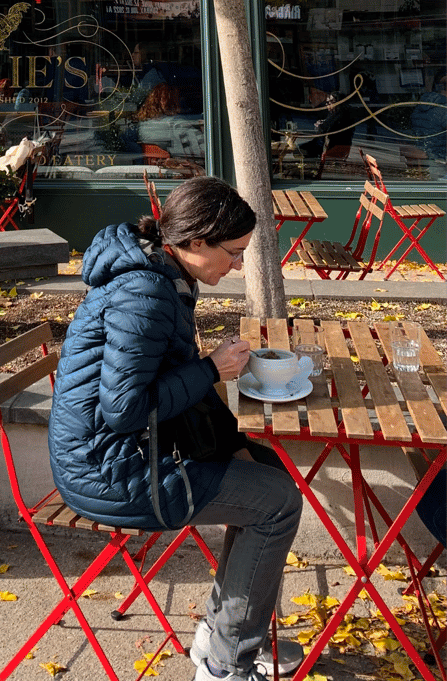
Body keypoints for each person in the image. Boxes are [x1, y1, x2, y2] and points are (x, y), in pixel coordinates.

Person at [48, 177, 304, 681]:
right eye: (233, 253)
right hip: (111, 470)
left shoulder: (160, 274)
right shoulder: (145, 293)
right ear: (195, 241)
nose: (236, 266)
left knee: (266, 472)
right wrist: (211, 369)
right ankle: (225, 665)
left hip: (129, 452)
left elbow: (156, 382)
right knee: (277, 504)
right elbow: (124, 410)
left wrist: (231, 440)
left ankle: (222, 633)